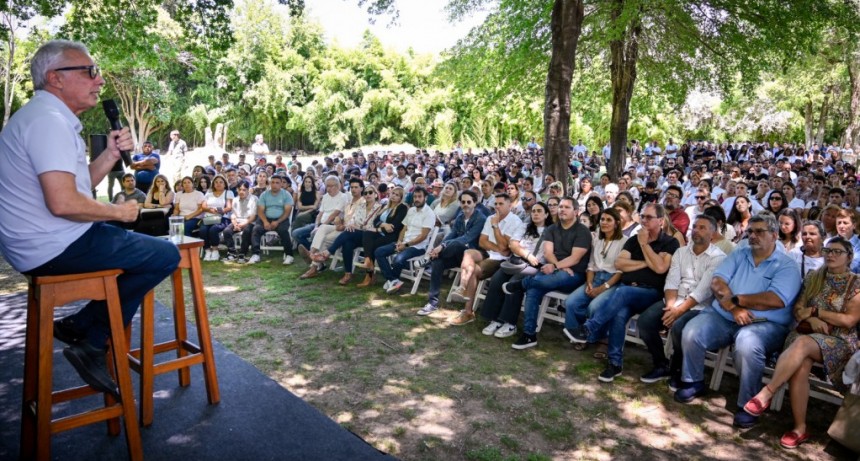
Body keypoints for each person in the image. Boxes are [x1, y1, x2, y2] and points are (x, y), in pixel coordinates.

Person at [0, 40, 180, 396]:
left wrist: (112, 154)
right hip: (53, 246)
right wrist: (118, 211)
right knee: (165, 255)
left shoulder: (44, 117)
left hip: (42, 241)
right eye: (89, 71)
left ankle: (80, 325)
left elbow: (78, 186)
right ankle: (92, 340)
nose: (98, 80)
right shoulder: (48, 122)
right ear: (56, 79)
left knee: (137, 242)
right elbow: (64, 203)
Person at [676, 213, 801, 429]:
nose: (752, 236)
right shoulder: (740, 252)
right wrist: (734, 308)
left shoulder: (786, 265)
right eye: (750, 231)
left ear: (774, 235)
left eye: (759, 231)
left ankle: (747, 403)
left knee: (747, 344)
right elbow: (717, 282)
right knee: (692, 331)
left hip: (766, 324)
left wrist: (739, 299)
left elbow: (775, 300)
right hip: (726, 314)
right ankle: (693, 381)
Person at [742, 237, 860, 448]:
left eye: (837, 251)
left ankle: (767, 392)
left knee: (803, 345)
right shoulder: (815, 277)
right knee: (802, 362)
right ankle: (800, 429)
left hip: (840, 340)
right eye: (828, 250)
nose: (830, 255)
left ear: (849, 257)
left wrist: (815, 312)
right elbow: (798, 310)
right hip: (806, 334)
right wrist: (811, 319)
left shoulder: (856, 283)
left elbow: (849, 320)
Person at [568, 203, 680, 381]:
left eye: (649, 217)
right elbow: (620, 264)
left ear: (661, 220)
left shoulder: (670, 242)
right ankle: (615, 363)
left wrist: (644, 245)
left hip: (651, 293)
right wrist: (646, 262)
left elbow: (660, 268)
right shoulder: (633, 240)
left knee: (622, 291)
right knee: (618, 315)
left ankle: (589, 328)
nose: (644, 220)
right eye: (642, 216)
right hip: (629, 292)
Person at [635, 215, 726, 386]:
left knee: (678, 327)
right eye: (695, 227)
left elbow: (703, 291)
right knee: (645, 322)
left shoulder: (718, 257)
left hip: (699, 306)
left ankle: (678, 368)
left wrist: (678, 311)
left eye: (702, 228)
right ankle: (661, 364)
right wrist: (671, 306)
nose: (696, 231)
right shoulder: (681, 251)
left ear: (712, 234)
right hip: (674, 300)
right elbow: (671, 281)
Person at [506, 197, 591, 349]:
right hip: (556, 270)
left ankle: (522, 283)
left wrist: (556, 266)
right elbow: (548, 252)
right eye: (560, 207)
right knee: (534, 289)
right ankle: (529, 335)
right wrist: (557, 266)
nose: (562, 210)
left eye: (566, 207)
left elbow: (575, 258)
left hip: (574, 275)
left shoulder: (582, 231)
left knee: (541, 281)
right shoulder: (552, 229)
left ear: (576, 212)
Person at [447, 193, 525, 325]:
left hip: (501, 259)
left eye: (501, 204)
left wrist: (495, 227)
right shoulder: (490, 218)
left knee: (475, 270)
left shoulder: (515, 221)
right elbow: (482, 242)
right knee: (468, 252)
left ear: (509, 205)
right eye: (496, 204)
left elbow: (505, 249)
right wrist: (497, 246)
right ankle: (462, 287)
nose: (497, 207)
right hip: (488, 252)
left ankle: (468, 312)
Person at [479, 202, 552, 337]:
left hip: (535, 266)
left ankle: (509, 323)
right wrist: (527, 255)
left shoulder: (551, 230)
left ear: (546, 214)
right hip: (517, 261)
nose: (535, 213)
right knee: (497, 279)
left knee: (513, 284)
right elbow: (513, 244)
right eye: (534, 211)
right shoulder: (525, 226)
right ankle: (494, 319)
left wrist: (529, 257)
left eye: (539, 211)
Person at [563, 208, 628, 350]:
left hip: (612, 282)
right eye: (602, 219)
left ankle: (592, 336)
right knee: (571, 303)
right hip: (596, 277)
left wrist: (603, 288)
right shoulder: (597, 240)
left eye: (609, 220)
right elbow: (591, 266)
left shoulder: (624, 242)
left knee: (594, 307)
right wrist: (590, 283)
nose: (604, 222)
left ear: (617, 223)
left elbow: (620, 272)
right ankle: (577, 334)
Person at [416, 190, 487, 315]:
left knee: (457, 243)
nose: (465, 204)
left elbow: (467, 238)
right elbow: (452, 234)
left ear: (475, 203)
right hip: (456, 254)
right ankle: (432, 303)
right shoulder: (460, 217)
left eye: (469, 202)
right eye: (463, 202)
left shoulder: (480, 218)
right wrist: (441, 247)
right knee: (438, 262)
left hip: (472, 256)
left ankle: (428, 259)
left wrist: (442, 246)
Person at [313, 185, 384, 285]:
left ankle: (328, 252)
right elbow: (354, 219)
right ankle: (348, 273)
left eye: (370, 192)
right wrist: (351, 224)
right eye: (366, 193)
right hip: (358, 234)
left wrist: (356, 227)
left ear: (376, 195)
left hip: (371, 236)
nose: (368, 195)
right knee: (347, 242)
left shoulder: (380, 208)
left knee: (348, 233)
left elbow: (373, 225)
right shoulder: (361, 206)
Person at [375, 187, 436, 294]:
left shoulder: (429, 213)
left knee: (398, 260)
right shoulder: (411, 210)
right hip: (404, 242)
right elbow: (404, 229)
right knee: (379, 252)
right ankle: (393, 280)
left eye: (419, 197)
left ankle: (392, 280)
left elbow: (423, 236)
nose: (416, 199)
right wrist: (399, 241)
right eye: (415, 197)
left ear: (425, 198)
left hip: (418, 247)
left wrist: (406, 245)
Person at [299, 177, 363, 279]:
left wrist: (342, 224)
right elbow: (345, 216)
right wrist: (340, 222)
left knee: (325, 238)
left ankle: (313, 267)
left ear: (361, 189)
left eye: (356, 187)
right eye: (352, 187)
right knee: (322, 227)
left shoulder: (361, 202)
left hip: (350, 230)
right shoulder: (349, 200)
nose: (353, 189)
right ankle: (312, 254)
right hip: (339, 226)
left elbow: (358, 220)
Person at [357, 186, 408, 287]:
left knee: (372, 244)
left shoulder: (402, 208)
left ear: (401, 198)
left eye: (397, 195)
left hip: (392, 237)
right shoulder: (385, 205)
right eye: (393, 193)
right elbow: (375, 221)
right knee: (367, 233)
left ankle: (369, 273)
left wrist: (378, 228)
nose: (393, 196)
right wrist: (383, 225)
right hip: (380, 233)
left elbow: (394, 227)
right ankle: (369, 262)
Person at [249, 174, 294, 265]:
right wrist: (265, 221)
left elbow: (287, 212)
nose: (274, 185)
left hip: (281, 218)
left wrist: (277, 221)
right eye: (272, 182)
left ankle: (289, 255)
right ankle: (255, 254)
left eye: (277, 183)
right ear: (269, 183)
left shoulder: (286, 195)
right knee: (256, 229)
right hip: (266, 218)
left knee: (283, 230)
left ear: (281, 184)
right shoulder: (264, 194)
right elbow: (260, 211)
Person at [198, 174, 234, 261]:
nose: (218, 184)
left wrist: (219, 211)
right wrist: (211, 210)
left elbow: (229, 207)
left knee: (213, 229)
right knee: (203, 230)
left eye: (221, 182)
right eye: (216, 182)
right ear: (213, 184)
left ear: (225, 184)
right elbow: (203, 206)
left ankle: (215, 250)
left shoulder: (228, 193)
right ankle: (207, 250)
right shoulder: (209, 194)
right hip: (208, 217)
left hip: (222, 218)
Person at [223, 181, 257, 263]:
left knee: (247, 231)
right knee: (226, 231)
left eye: (244, 190)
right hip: (237, 221)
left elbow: (253, 217)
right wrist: (235, 223)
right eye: (240, 189)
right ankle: (232, 252)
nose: (242, 192)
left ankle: (242, 253)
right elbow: (233, 214)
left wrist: (242, 224)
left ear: (248, 190)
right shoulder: (235, 200)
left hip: (249, 222)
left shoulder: (254, 199)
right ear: (237, 190)